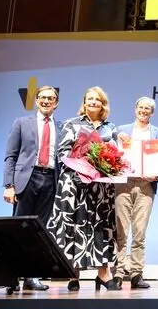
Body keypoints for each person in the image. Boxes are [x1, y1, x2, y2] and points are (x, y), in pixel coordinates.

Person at [46, 86, 121, 292]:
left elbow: (115, 155)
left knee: (101, 228)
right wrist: (81, 170)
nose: (93, 102)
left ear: (103, 104)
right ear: (84, 102)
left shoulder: (110, 127)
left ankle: (104, 275)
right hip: (74, 185)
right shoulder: (72, 124)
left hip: (100, 189)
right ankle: (74, 274)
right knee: (74, 226)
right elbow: (63, 153)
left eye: (97, 100)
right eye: (90, 99)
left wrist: (106, 166)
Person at [2, 85, 61, 291]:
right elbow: (11, 156)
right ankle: (11, 276)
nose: (46, 101)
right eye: (43, 97)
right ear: (36, 101)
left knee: (39, 232)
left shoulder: (61, 127)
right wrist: (9, 185)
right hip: (25, 180)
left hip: (50, 181)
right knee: (18, 230)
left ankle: (31, 277)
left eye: (51, 98)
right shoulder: (21, 123)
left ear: (56, 103)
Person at [113, 97, 158, 289]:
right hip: (123, 184)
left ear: (152, 113)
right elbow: (113, 156)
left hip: (145, 186)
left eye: (148, 109)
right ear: (135, 109)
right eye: (141, 107)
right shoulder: (121, 131)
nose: (144, 111)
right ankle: (118, 273)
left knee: (139, 233)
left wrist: (156, 175)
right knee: (121, 231)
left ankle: (136, 274)